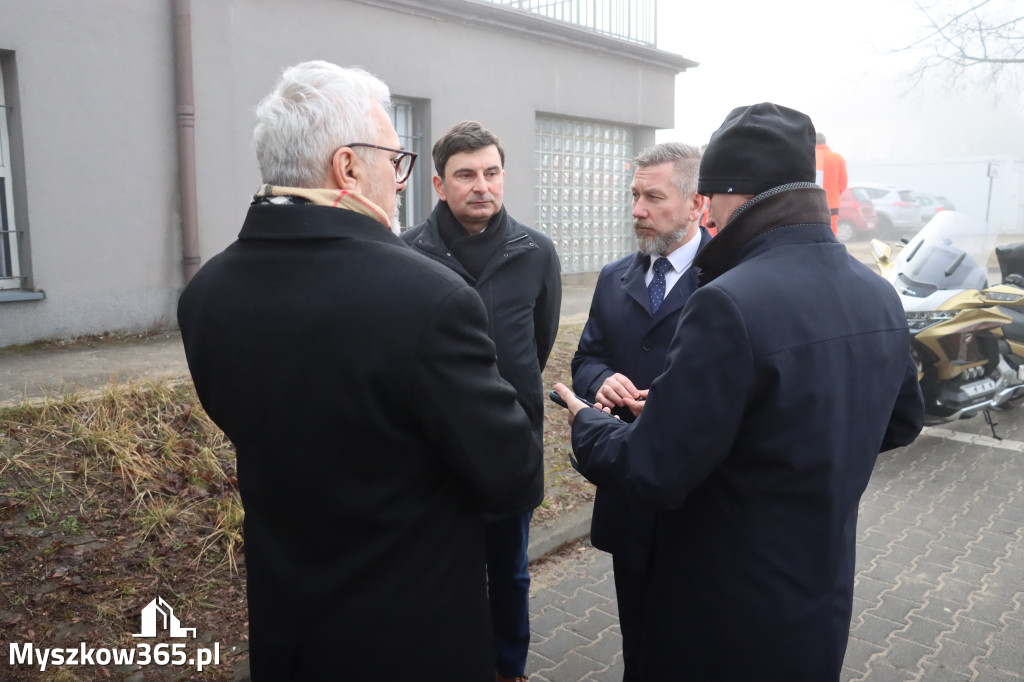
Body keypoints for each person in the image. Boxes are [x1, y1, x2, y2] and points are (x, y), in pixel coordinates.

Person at [177, 61, 541, 681]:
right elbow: (512, 477)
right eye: (392, 162)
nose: (399, 184)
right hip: (410, 635)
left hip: (286, 626)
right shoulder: (431, 299)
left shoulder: (206, 292)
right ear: (348, 168)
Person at [553, 102, 924, 680]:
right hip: (818, 596)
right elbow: (900, 421)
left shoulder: (728, 300)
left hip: (722, 607)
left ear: (728, 194)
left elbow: (652, 468)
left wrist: (585, 420)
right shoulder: (875, 292)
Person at [402, 120, 561, 682]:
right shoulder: (405, 256)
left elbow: (537, 346)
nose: (482, 186)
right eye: (465, 175)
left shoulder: (535, 252)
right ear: (440, 185)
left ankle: (507, 668)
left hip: (509, 441)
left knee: (510, 569)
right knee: (442, 568)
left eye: (492, 173)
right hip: (431, 449)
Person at [570, 141, 711, 680]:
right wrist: (601, 381)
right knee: (638, 640)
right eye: (634, 195)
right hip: (628, 494)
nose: (637, 210)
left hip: (695, 503)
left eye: (653, 197)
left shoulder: (728, 281)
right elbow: (587, 356)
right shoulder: (614, 277)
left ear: (697, 204)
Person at [815, 131, 848, 236]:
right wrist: (834, 194)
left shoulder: (809, 158)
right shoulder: (838, 158)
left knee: (813, 230)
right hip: (832, 202)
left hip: (812, 203)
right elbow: (843, 183)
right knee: (832, 231)